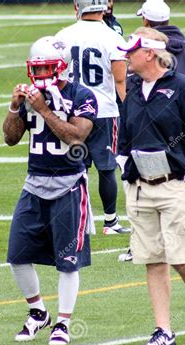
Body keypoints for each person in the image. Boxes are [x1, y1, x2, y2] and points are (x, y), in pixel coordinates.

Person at [116, 28, 185, 345]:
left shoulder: (183, 89)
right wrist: (125, 168)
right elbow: (124, 136)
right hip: (139, 187)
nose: (125, 57)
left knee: (183, 256)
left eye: (131, 51)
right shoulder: (133, 89)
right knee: (153, 258)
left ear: (149, 53)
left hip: (174, 184)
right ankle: (163, 330)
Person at [3, 36, 98, 345]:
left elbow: (76, 137)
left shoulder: (82, 95)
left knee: (67, 260)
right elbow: (10, 138)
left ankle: (64, 322)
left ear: (62, 68)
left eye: (46, 68)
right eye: (36, 68)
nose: (40, 74)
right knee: (17, 254)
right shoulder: (32, 96)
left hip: (69, 184)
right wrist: (16, 108)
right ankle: (38, 312)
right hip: (34, 183)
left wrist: (44, 110)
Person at [133, 0, 185, 265]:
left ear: (146, 21)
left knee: (159, 185)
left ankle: (169, 246)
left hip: (163, 123)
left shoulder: (149, 49)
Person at [56, 0, 130, 236]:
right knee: (107, 167)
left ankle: (78, 219)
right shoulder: (113, 37)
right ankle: (110, 221)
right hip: (104, 111)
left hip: (72, 110)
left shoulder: (63, 35)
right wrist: (131, 110)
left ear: (79, 7)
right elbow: (120, 81)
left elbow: (55, 72)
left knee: (76, 166)